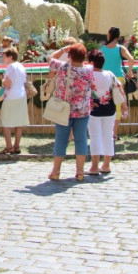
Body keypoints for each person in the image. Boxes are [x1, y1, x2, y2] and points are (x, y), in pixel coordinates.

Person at [47, 43, 95, 181]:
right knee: (81, 139)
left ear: (70, 55)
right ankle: (80, 172)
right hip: (82, 110)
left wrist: (63, 49)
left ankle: (56, 171)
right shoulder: (89, 70)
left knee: (61, 140)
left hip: (64, 110)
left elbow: (50, 58)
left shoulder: (62, 67)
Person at [86, 49, 128, 175]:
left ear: (91, 62)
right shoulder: (110, 74)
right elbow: (120, 90)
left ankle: (94, 166)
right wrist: (124, 107)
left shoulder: (88, 75)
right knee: (108, 136)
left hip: (93, 109)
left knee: (95, 137)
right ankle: (106, 165)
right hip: (109, 108)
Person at [101, 27, 135, 139]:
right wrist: (129, 72)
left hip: (105, 77)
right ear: (118, 37)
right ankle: (114, 134)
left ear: (109, 35)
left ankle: (105, 133)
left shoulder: (102, 48)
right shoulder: (121, 48)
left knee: (104, 103)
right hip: (118, 78)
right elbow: (131, 60)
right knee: (118, 106)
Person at [0, 47, 28, 155]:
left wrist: (2, 80)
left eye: (4, 57)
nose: (3, 59)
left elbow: (7, 84)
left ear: (10, 57)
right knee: (19, 123)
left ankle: (9, 146)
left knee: (5, 122)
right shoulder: (21, 66)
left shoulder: (10, 67)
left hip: (11, 97)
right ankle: (16, 146)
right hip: (21, 96)